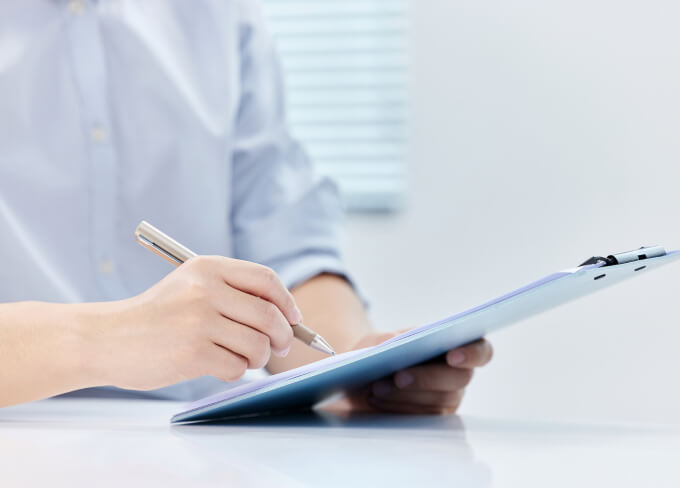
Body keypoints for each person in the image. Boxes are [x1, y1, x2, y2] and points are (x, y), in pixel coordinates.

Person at [0, 0, 492, 412]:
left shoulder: (219, 13)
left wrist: (350, 368)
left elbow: (287, 247)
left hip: (196, 441)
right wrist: (107, 339)